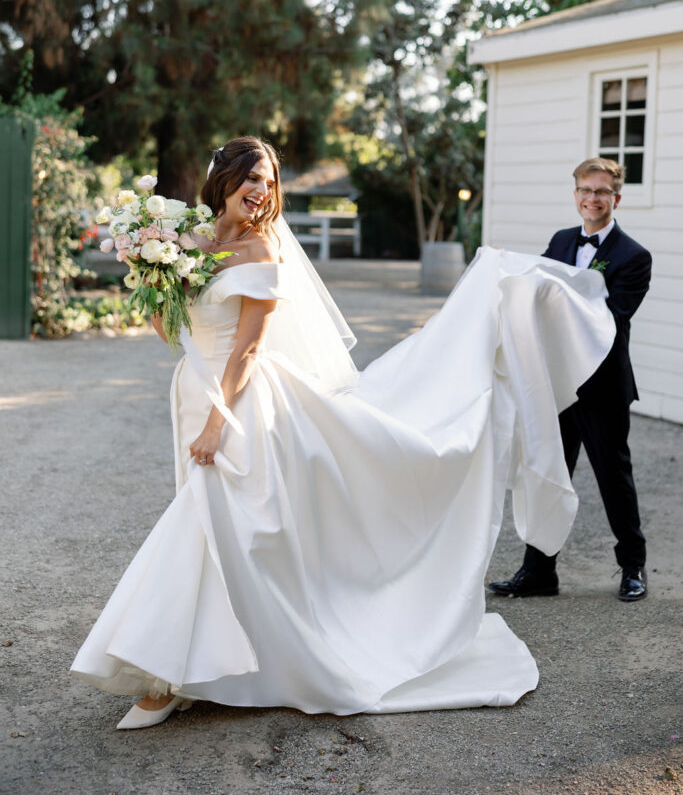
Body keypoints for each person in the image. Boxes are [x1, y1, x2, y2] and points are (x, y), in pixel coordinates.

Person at [71, 137, 616, 729]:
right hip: (193, 388)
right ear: (224, 178)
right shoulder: (191, 242)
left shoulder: (260, 250)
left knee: (228, 526)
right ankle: (203, 664)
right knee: (212, 527)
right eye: (252, 177)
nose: (261, 191)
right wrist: (149, 273)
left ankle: (168, 675)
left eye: (269, 181)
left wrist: (215, 422)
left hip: (241, 404)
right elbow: (173, 330)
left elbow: (248, 349)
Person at [488, 157, 651, 604]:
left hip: (600, 388)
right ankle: (539, 572)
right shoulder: (561, 241)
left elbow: (610, 320)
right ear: (575, 193)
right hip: (554, 385)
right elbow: (532, 296)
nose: (592, 198)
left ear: (616, 198)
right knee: (545, 472)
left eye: (602, 192)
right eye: (585, 190)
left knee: (613, 478)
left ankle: (632, 568)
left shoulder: (633, 257)